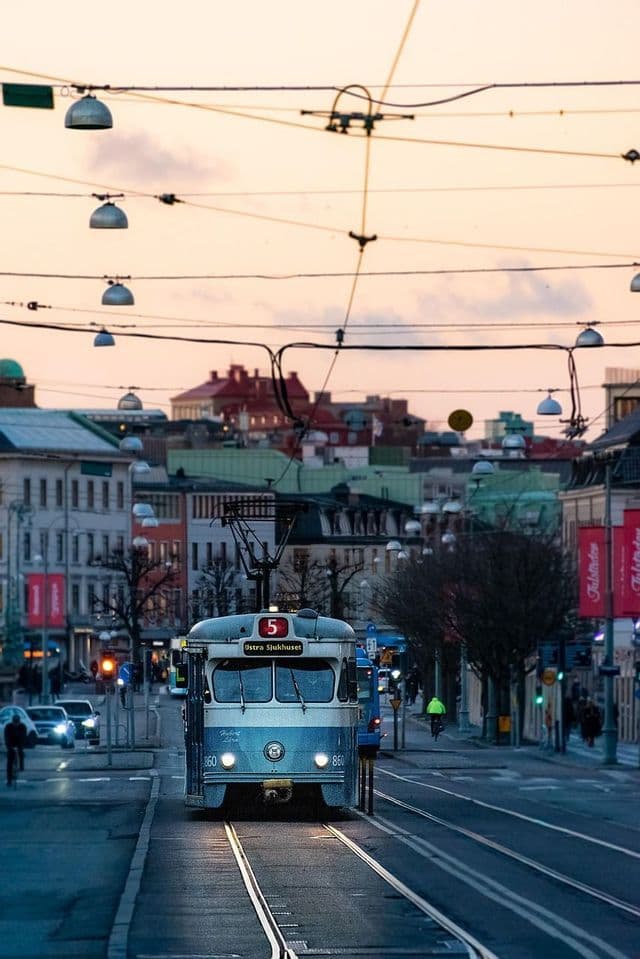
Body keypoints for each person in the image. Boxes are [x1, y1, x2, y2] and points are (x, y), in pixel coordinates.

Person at [4, 713, 27, 785]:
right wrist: (9, 747)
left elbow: (24, 737)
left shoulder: (23, 726)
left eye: (17, 722)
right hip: (11, 744)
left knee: (21, 753)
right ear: (12, 721)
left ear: (19, 722)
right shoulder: (8, 727)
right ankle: (9, 780)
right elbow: (6, 737)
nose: (16, 724)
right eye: (15, 722)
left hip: (19, 743)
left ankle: (21, 766)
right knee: (9, 762)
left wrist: (21, 746)